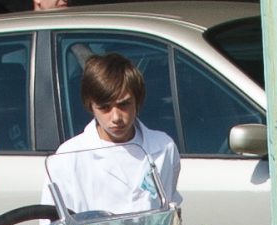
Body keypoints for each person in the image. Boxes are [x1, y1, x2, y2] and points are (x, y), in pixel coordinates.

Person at [46, 53, 181, 216]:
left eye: (124, 104)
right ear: (91, 106)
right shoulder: (67, 157)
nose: (116, 117)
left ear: (137, 101)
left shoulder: (164, 147)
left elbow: (170, 212)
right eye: (104, 108)